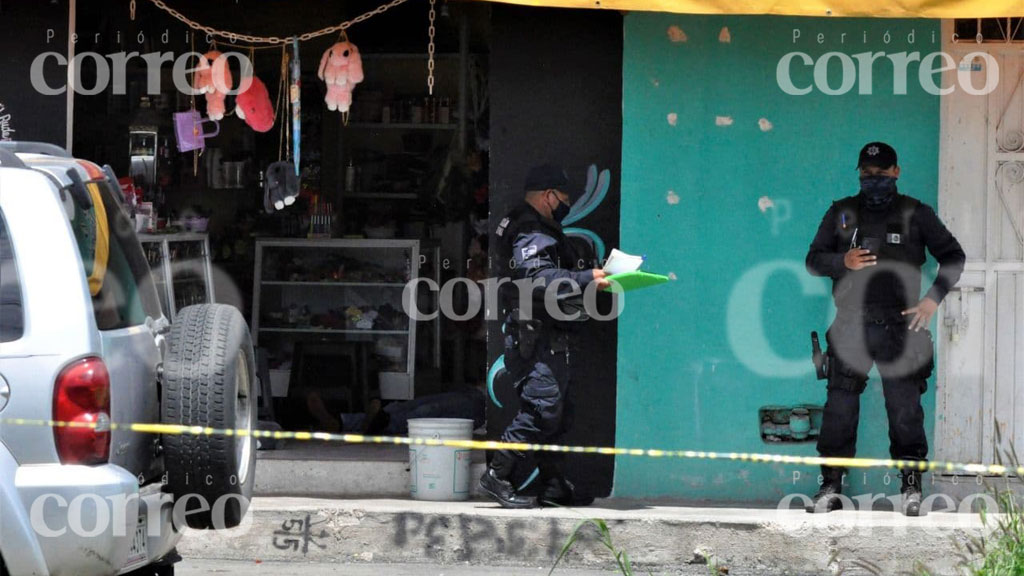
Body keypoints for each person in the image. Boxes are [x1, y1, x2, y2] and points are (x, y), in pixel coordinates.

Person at [805, 142, 965, 516]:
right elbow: (813, 261)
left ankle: (911, 487)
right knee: (839, 411)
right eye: (865, 174)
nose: (872, 180)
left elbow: (954, 258)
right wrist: (842, 261)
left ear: (896, 172)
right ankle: (831, 485)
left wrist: (931, 301)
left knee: (905, 411)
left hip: (900, 326)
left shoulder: (916, 213)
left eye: (880, 174)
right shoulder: (842, 212)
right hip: (851, 325)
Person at [481, 164, 611, 509]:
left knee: (558, 415)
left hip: (547, 336)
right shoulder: (530, 229)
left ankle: (553, 487)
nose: (565, 205)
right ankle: (498, 474)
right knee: (542, 410)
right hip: (534, 338)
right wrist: (586, 279)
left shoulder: (537, 227)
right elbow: (536, 279)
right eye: (563, 198)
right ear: (548, 195)